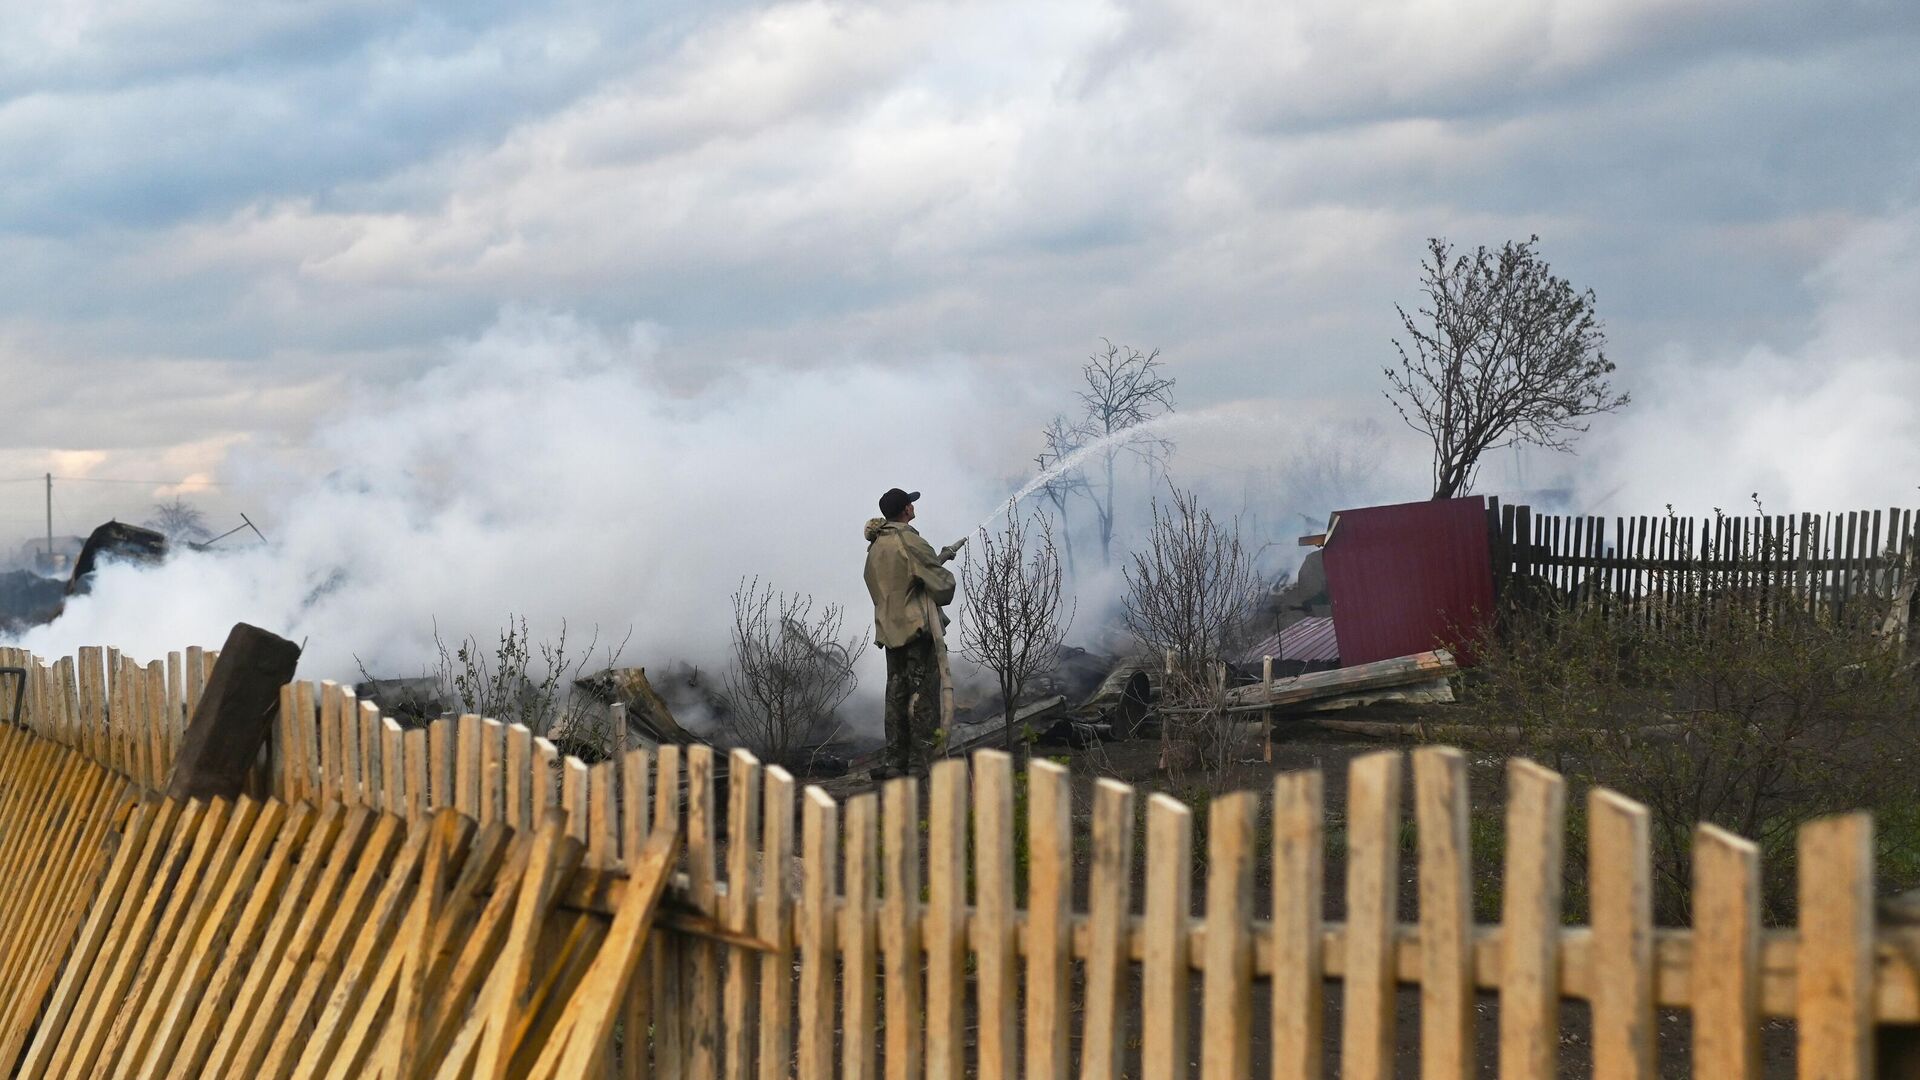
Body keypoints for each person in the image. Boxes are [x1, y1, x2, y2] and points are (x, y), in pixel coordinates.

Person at [863, 488, 965, 777]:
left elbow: (896, 582)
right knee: (921, 696)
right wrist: (937, 566)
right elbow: (942, 586)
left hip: (890, 632)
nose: (913, 506)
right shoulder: (909, 540)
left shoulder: (876, 546)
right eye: (910, 503)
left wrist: (937, 558)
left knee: (895, 697)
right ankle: (920, 764)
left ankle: (895, 762)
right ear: (905, 510)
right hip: (917, 632)